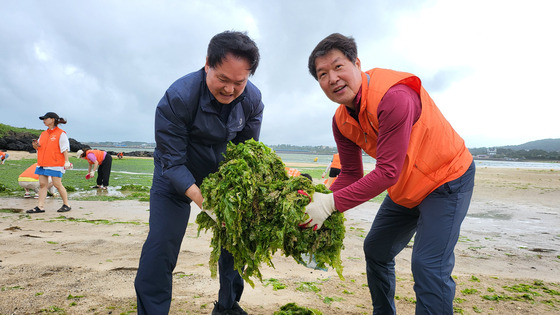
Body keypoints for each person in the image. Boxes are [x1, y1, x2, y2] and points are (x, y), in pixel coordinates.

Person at [302, 33, 475, 315]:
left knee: (428, 265)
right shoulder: (341, 120)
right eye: (322, 74)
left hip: (447, 179)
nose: (332, 78)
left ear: (357, 63)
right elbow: (351, 174)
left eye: (338, 67)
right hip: (407, 187)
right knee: (377, 250)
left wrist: (331, 205)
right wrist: (319, 201)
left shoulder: (394, 97)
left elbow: (387, 172)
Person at [134, 31, 263, 315]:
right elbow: (172, 162)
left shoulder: (252, 101)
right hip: (174, 175)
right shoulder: (178, 98)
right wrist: (203, 200)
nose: (230, 89)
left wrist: (231, 198)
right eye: (223, 79)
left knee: (236, 239)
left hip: (221, 178)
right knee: (161, 245)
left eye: (239, 82)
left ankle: (228, 307)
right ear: (208, 64)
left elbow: (245, 154)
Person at [27, 112, 72, 213]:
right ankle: (40, 206)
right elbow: (38, 147)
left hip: (55, 163)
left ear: (52, 120)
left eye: (45, 119)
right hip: (42, 163)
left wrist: (67, 161)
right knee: (43, 184)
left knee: (57, 184)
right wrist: (35, 145)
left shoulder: (61, 133)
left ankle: (66, 204)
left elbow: (64, 148)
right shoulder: (43, 134)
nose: (44, 120)